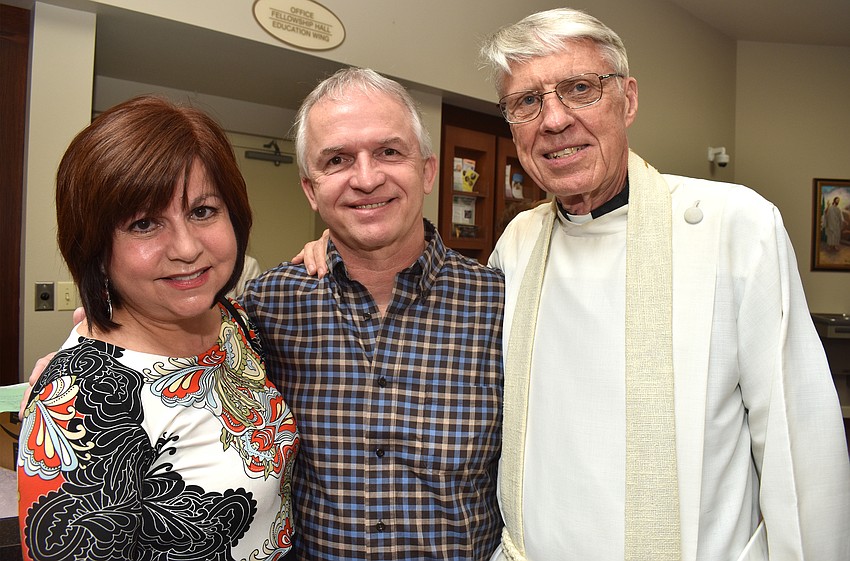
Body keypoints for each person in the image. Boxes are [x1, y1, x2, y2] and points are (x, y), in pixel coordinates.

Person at [477, 7, 850, 561]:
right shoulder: (519, 241)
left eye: (580, 88)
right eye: (527, 102)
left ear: (627, 100)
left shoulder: (734, 225)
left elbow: (799, 451)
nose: (553, 121)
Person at [17, 96, 299, 560]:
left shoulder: (235, 324)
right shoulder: (81, 404)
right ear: (95, 247)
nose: (187, 247)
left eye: (203, 211)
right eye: (145, 223)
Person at [240, 67, 505, 559]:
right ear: (311, 189)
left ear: (427, 171)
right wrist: (99, 340)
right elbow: (173, 366)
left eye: (388, 151)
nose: (366, 178)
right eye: (338, 159)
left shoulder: (502, 306)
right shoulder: (267, 306)